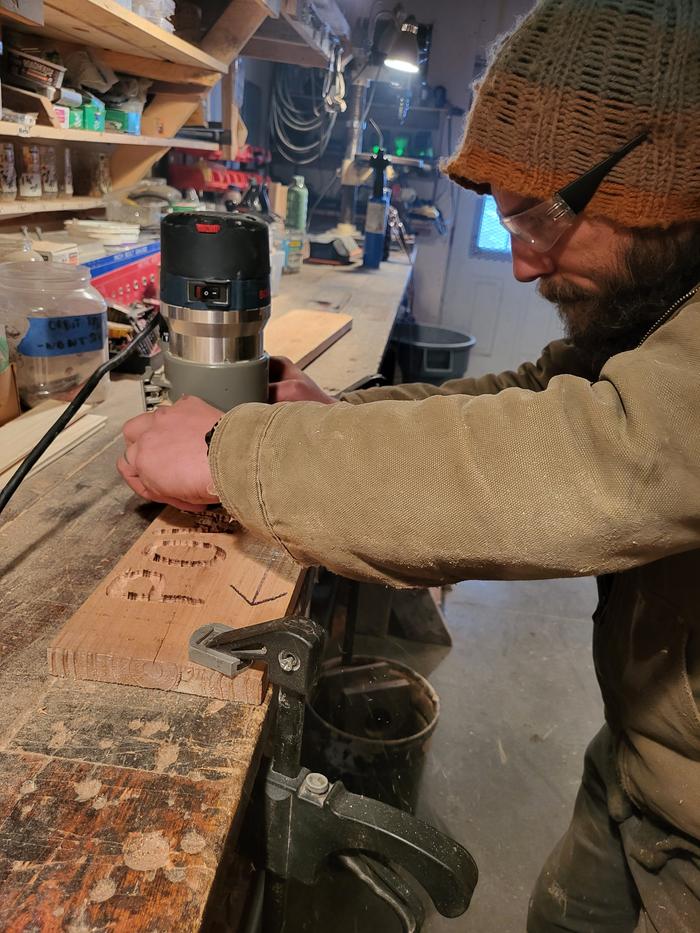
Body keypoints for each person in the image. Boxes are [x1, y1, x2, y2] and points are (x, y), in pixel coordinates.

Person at [118, 0, 700, 928]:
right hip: (643, 757)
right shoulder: (663, 306)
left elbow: (592, 459)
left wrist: (238, 455)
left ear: (660, 174)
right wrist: (332, 421)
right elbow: (536, 393)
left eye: (541, 216)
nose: (521, 266)